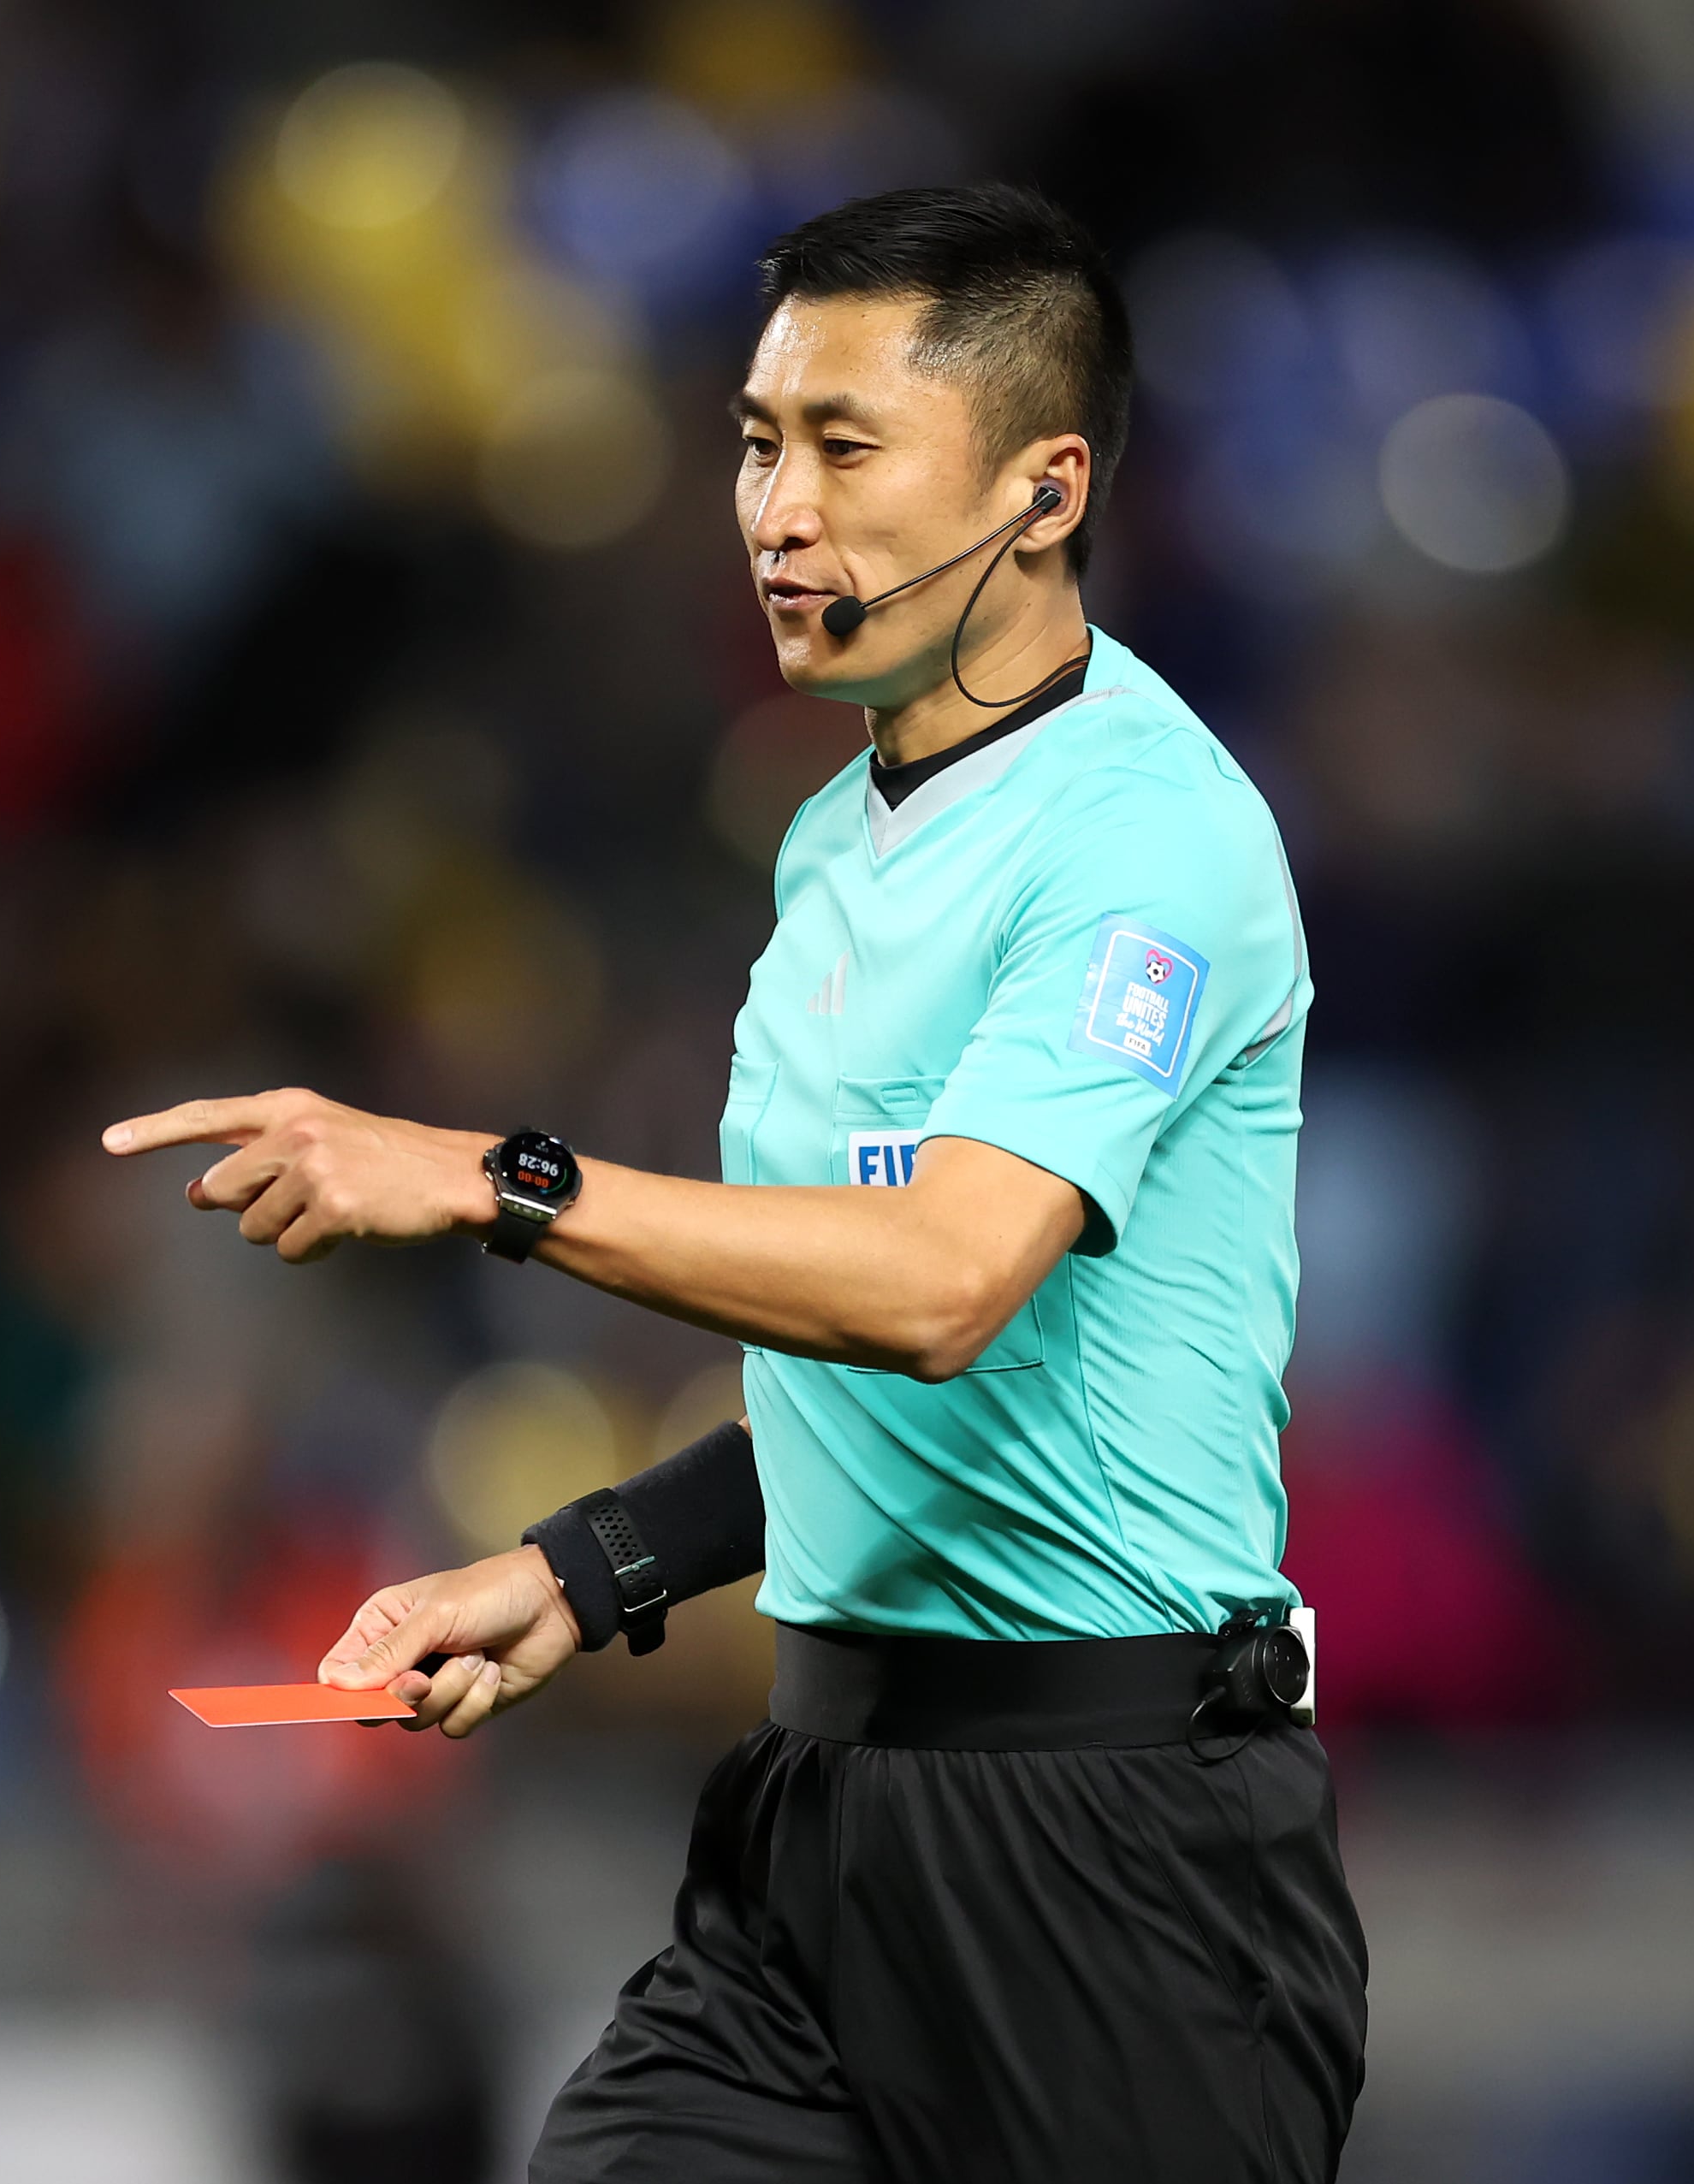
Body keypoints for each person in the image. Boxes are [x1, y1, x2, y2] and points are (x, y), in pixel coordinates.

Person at [104, 183, 1368, 2182]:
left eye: (844, 447)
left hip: (1119, 1856)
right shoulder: (833, 842)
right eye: (757, 442)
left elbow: (941, 1287)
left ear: (1044, 491)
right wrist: (577, 1570)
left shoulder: (1147, 838)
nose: (775, 508)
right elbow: (860, 1366)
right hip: (821, 1813)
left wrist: (495, 1180)